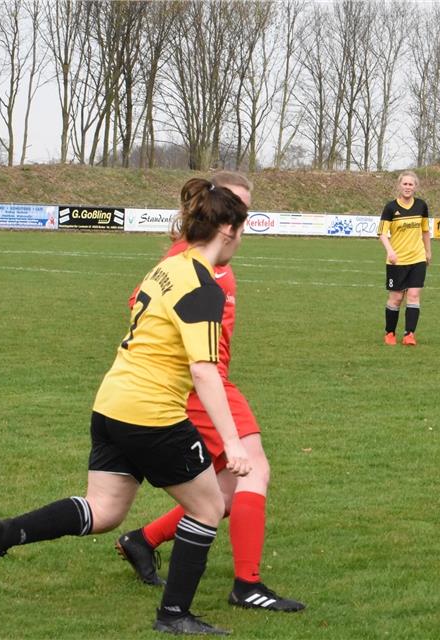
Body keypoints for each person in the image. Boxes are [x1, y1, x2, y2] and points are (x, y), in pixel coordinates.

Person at [0, 178, 252, 635]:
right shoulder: (203, 286)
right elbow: (203, 371)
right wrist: (232, 443)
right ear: (230, 230)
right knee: (208, 506)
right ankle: (174, 615)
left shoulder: (165, 269)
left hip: (112, 403)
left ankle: (6, 533)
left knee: (105, 508)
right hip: (152, 413)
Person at [115, 171, 304, 613]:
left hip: (216, 379)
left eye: (245, 209)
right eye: (233, 206)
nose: (238, 218)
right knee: (252, 473)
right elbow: (142, 307)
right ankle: (247, 585)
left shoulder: (214, 257)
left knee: (223, 492)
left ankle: (142, 540)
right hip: (200, 383)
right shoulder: (188, 258)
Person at [378, 171, 432, 346]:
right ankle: (390, 333)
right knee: (396, 298)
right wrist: (390, 251)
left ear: (415, 187)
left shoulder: (421, 206)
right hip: (397, 261)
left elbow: (425, 231)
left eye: (411, 184)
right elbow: (382, 234)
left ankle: (409, 334)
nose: (408, 187)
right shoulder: (391, 208)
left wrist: (428, 252)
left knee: (414, 295)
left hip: (417, 258)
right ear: (399, 186)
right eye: (405, 184)